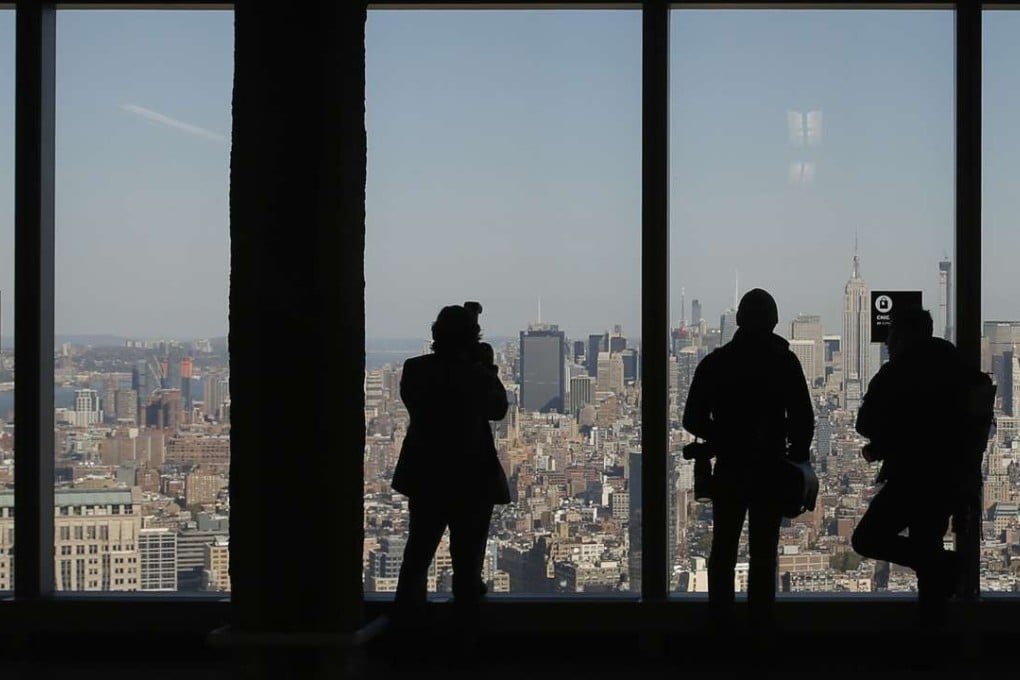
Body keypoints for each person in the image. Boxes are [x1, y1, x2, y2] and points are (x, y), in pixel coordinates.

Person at [682, 288, 814, 641]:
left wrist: (724, 434)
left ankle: (720, 623)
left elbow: (692, 418)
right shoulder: (784, 362)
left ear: (739, 320)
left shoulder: (717, 362)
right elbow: (803, 418)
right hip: (771, 467)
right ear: (773, 321)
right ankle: (761, 625)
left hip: (731, 467)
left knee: (723, 549)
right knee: (764, 552)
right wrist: (796, 455)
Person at [390, 302, 510, 667]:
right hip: (471, 478)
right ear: (471, 339)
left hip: (426, 475)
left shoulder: (415, 370)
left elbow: (418, 401)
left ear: (435, 336)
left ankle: (407, 637)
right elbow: (497, 410)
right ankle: (464, 642)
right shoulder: (476, 375)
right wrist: (485, 366)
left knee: (416, 556)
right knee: (467, 563)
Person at [852, 305, 978, 628]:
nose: (888, 340)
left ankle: (944, 567)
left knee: (867, 538)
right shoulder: (957, 367)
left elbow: (864, 423)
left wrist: (889, 435)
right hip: (950, 478)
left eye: (892, 332)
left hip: (911, 478)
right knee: (928, 547)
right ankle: (932, 639)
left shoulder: (898, 371)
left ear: (904, 335)